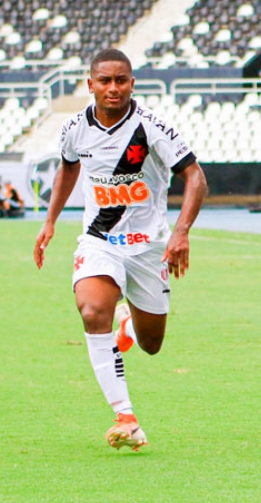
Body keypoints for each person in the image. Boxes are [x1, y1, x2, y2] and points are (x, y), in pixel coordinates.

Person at [33, 49, 208, 452]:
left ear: (133, 83)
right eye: (105, 80)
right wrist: (50, 220)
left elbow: (196, 177)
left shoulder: (152, 128)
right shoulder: (75, 127)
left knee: (151, 344)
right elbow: (68, 167)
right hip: (100, 242)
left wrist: (181, 233)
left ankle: (128, 324)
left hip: (149, 249)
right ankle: (126, 417)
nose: (114, 88)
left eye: (122, 80)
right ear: (90, 83)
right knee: (93, 311)